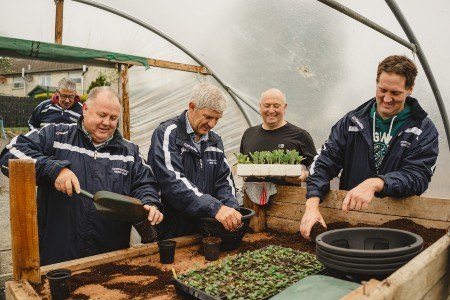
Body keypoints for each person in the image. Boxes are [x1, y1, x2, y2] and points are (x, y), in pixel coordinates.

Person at [1, 86, 163, 265]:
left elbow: (146, 184)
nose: (107, 123)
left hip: (110, 258)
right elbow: (10, 153)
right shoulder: (55, 135)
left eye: (113, 118)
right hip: (58, 255)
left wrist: (149, 202)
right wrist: (54, 169)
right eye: (101, 115)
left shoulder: (129, 152)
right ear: (85, 109)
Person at [300, 55, 439, 239]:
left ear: (409, 89)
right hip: (351, 220)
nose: (387, 99)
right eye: (382, 90)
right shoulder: (352, 121)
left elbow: (418, 176)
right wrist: (311, 206)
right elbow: (325, 161)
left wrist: (377, 183)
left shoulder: (423, 129)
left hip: (397, 227)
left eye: (395, 93)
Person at [148, 82, 241, 240]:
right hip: (173, 232)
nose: (212, 124)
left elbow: (224, 182)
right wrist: (215, 208)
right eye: (208, 117)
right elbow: (172, 182)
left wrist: (231, 209)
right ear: (192, 107)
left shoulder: (215, 141)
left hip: (205, 230)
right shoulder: (168, 133)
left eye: (217, 119)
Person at [240, 88, 317, 184]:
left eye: (276, 106)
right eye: (267, 105)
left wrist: (304, 175)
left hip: (287, 197)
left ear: (284, 107)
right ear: (260, 106)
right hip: (251, 197)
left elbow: (318, 169)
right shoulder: (249, 134)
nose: (271, 110)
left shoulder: (300, 135)